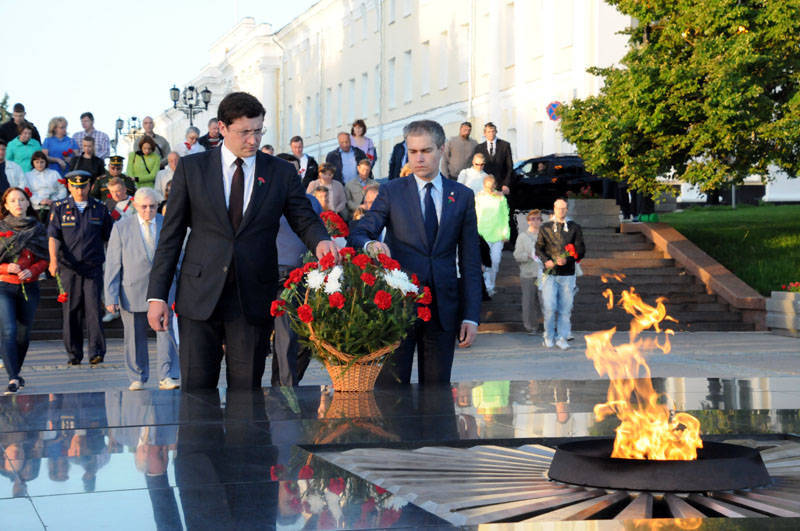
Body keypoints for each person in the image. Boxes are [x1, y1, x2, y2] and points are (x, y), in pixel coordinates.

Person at [146, 91, 335, 391]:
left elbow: (304, 218)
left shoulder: (280, 173)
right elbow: (171, 236)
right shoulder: (192, 169)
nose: (253, 140)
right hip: (199, 296)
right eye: (244, 132)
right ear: (222, 128)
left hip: (251, 297)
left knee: (247, 396)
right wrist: (157, 296)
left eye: (258, 131)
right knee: (196, 396)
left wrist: (320, 241)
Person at [349, 119, 482, 386]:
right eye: (413, 152)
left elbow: (470, 260)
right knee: (392, 395)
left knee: (437, 394)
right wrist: (371, 245)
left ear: (442, 149)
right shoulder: (391, 191)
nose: (418, 158)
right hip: (398, 305)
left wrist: (471, 315)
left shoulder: (462, 196)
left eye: (426, 151)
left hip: (443, 307)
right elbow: (360, 232)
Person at [105, 188, 180, 391]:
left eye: (153, 206)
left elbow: (178, 258)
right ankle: (137, 376)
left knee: (167, 332)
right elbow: (113, 263)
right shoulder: (121, 227)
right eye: (144, 206)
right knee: (134, 336)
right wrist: (110, 295)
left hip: (164, 289)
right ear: (135, 206)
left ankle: (168, 375)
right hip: (131, 290)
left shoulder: (167, 225)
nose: (148, 210)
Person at [48, 171, 114, 365]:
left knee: (94, 310)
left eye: (83, 186)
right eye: (75, 186)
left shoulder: (100, 209)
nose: (79, 190)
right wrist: (53, 260)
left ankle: (97, 352)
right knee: (71, 311)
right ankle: (74, 353)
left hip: (93, 268)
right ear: (69, 186)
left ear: (90, 186)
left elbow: (111, 237)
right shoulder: (59, 208)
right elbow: (53, 236)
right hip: (69, 268)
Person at [0, 187, 49, 394]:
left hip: (29, 286)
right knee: (9, 330)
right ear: (6, 205)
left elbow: (44, 258)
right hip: (4, 285)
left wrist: (32, 270)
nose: (18, 204)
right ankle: (12, 378)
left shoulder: (37, 228)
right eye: (13, 200)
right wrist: (5, 267)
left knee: (23, 334)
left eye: (21, 199)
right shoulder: (1, 228)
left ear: (28, 203)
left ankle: (16, 373)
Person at [272, 194, 323, 386]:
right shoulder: (266, 195)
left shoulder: (308, 201)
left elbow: (318, 229)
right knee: (283, 337)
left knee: (301, 339)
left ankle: (286, 385)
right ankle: (283, 388)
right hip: (270, 274)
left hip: (301, 276)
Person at [535, 198, 585, 350]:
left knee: (565, 308)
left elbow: (581, 249)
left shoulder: (575, 228)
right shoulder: (546, 227)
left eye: (564, 208)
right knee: (549, 307)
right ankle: (548, 336)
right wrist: (546, 261)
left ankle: (562, 337)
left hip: (567, 274)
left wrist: (568, 258)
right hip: (550, 274)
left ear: (567, 210)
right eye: (558, 208)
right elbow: (539, 248)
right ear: (554, 209)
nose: (561, 211)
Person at [475, 175, 510, 297]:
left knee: (495, 261)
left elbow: (505, 216)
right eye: (487, 187)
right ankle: (487, 286)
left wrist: (506, 233)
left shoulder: (501, 198)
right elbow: (474, 216)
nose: (489, 189)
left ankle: (491, 284)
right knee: (484, 264)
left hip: (497, 235)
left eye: (491, 186)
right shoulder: (478, 197)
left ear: (495, 186)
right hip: (482, 235)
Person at [513, 210, 544, 335]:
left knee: (545, 301)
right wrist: (528, 255)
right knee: (528, 301)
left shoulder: (546, 236)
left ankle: (549, 325)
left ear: (541, 221)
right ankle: (531, 326)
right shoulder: (523, 237)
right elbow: (517, 255)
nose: (535, 221)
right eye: (532, 219)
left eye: (537, 218)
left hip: (544, 273)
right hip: (528, 273)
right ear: (528, 221)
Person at [473, 122, 514, 195]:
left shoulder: (505, 146)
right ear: (484, 133)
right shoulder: (479, 148)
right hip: (484, 186)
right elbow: (476, 168)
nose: (491, 133)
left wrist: (506, 184)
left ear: (496, 132)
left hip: (501, 186)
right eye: (489, 132)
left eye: (493, 131)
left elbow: (509, 167)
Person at [26, 151, 66, 223]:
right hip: (36, 208)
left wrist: (55, 200)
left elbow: (62, 189)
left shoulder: (54, 173)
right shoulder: (28, 175)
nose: (39, 164)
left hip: (53, 206)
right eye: (37, 162)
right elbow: (27, 192)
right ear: (33, 163)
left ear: (46, 162)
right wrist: (40, 201)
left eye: (42, 162)